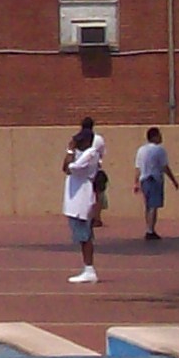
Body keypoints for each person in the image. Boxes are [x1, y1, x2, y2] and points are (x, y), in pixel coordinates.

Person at [62, 118, 106, 284]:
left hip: (82, 196)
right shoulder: (86, 152)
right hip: (75, 195)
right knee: (81, 235)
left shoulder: (90, 154)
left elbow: (67, 168)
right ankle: (87, 268)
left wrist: (70, 152)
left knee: (84, 234)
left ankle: (89, 269)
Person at [134, 128, 176, 241]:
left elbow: (138, 167)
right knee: (153, 206)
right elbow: (164, 167)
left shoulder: (141, 150)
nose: (161, 137)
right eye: (159, 135)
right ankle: (150, 230)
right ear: (154, 137)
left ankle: (149, 227)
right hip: (154, 179)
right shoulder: (159, 150)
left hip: (144, 179)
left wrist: (136, 182)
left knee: (148, 206)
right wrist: (173, 180)